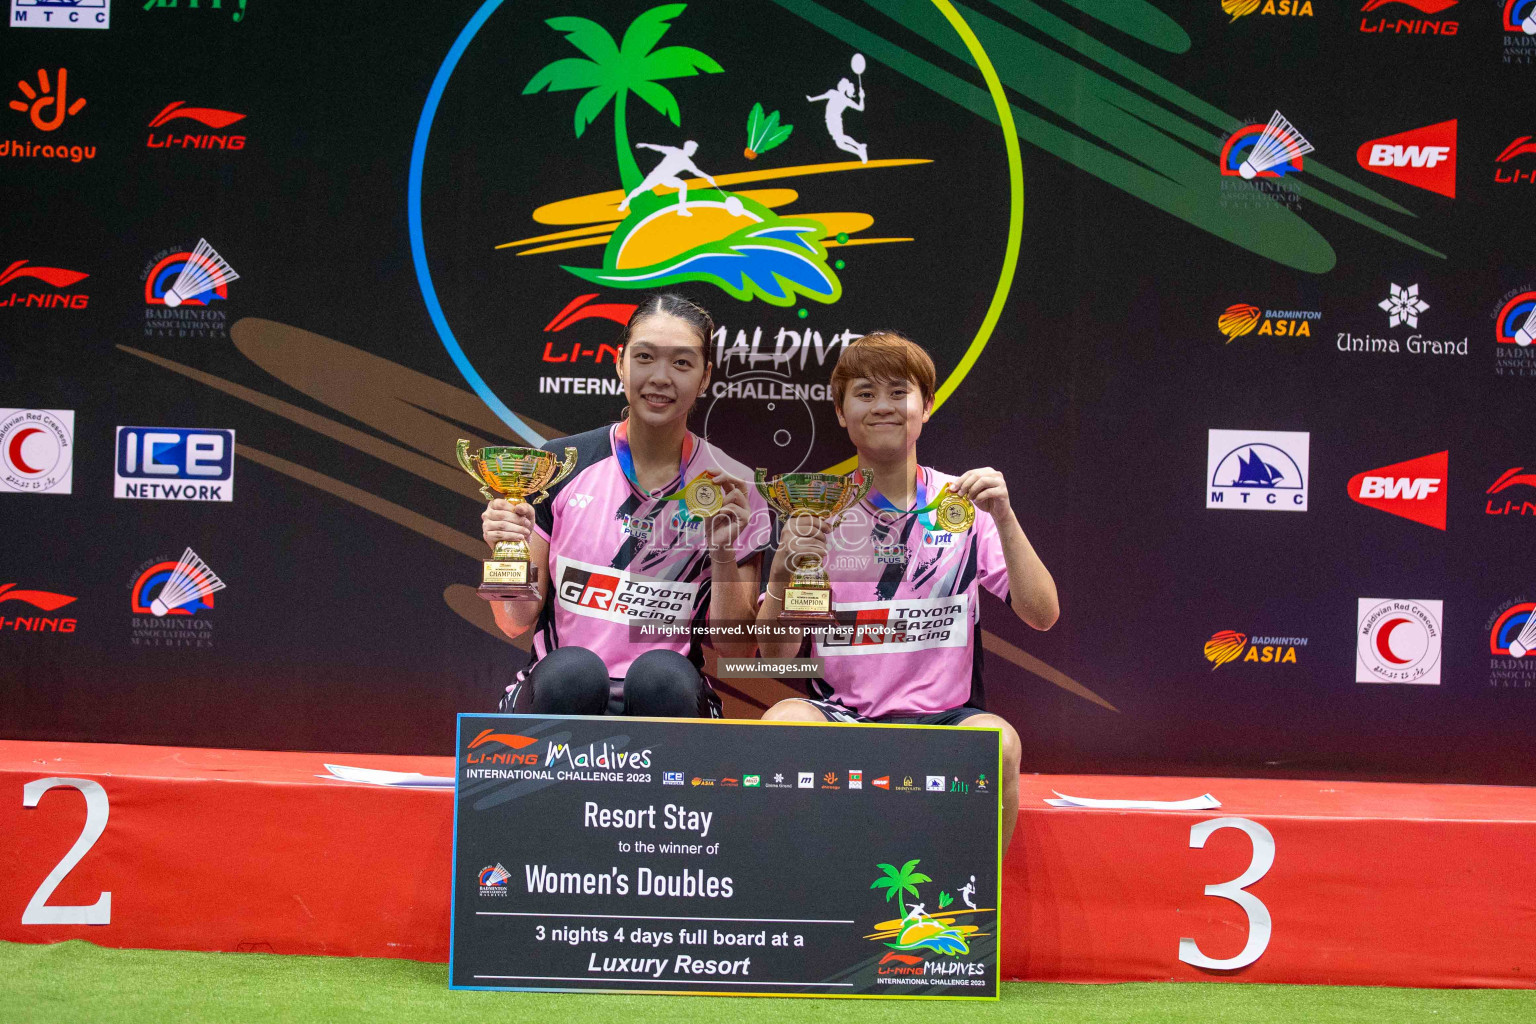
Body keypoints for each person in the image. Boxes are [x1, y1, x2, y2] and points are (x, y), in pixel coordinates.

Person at [755, 331, 1059, 847]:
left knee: (999, 744)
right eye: (865, 393)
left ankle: (977, 912)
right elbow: (777, 656)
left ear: (927, 406)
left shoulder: (963, 508)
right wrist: (786, 565)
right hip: (841, 716)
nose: (883, 407)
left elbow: (1042, 614)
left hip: (944, 720)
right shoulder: (817, 512)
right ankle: (802, 906)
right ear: (840, 411)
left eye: (899, 392)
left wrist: (1004, 517)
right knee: (782, 722)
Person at [483, 293, 768, 717]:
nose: (660, 377)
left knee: (663, 677)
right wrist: (508, 547)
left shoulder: (733, 484)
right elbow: (514, 620)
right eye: (646, 357)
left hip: (667, 700)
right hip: (560, 693)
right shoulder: (559, 465)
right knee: (572, 673)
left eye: (682, 363)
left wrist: (723, 553)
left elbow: (736, 648)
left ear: (706, 377)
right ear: (620, 363)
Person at [617, 141, 720, 217]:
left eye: (694, 150)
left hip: (667, 178)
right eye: (693, 149)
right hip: (657, 175)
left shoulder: (687, 162)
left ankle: (681, 209)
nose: (693, 151)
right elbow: (659, 147)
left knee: (683, 185)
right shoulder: (674, 150)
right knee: (641, 189)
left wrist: (708, 177)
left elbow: (696, 171)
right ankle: (625, 202)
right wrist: (646, 145)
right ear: (687, 148)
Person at [806, 78, 867, 164]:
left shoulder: (844, 99)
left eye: (841, 83)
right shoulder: (833, 93)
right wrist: (811, 99)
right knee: (840, 142)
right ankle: (859, 149)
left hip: (835, 120)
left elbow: (861, 108)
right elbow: (823, 96)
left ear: (844, 87)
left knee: (840, 140)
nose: (839, 84)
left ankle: (859, 148)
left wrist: (862, 97)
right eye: (839, 83)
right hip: (829, 120)